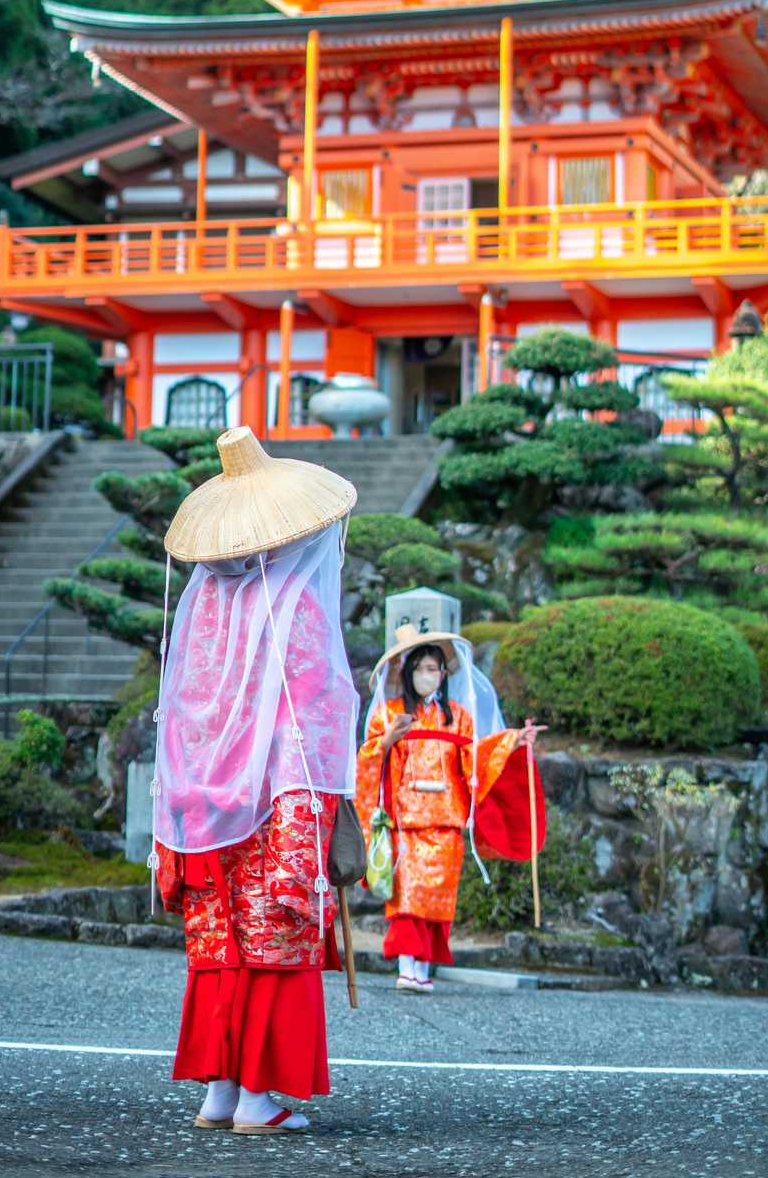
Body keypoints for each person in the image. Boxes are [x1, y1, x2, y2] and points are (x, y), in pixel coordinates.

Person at [150, 426, 359, 1134]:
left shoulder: (205, 606)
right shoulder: (293, 602)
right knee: (274, 941)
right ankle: (259, 1098)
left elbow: (183, 711)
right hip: (274, 799)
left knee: (222, 946)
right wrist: (313, 814)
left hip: (201, 804)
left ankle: (219, 1089)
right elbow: (309, 716)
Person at [355, 620, 545, 991]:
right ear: (408, 674)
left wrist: (514, 741)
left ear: (443, 673)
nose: (428, 675)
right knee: (407, 894)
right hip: (407, 820)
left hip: (446, 819)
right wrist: (387, 741)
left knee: (438, 897)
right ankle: (406, 966)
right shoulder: (389, 714)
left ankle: (424, 968)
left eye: (433, 669)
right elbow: (366, 759)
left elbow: (478, 757)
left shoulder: (458, 716)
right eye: (420, 669)